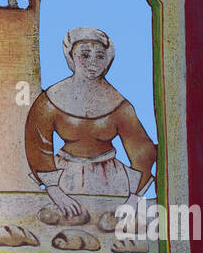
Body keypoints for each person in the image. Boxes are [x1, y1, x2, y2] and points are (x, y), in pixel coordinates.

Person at [24, 26, 156, 219]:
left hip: (111, 180)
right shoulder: (50, 100)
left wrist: (134, 198)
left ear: (108, 60)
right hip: (63, 179)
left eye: (100, 56)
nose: (93, 63)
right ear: (71, 56)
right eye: (85, 55)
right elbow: (38, 145)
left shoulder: (119, 105)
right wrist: (54, 190)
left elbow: (142, 150)